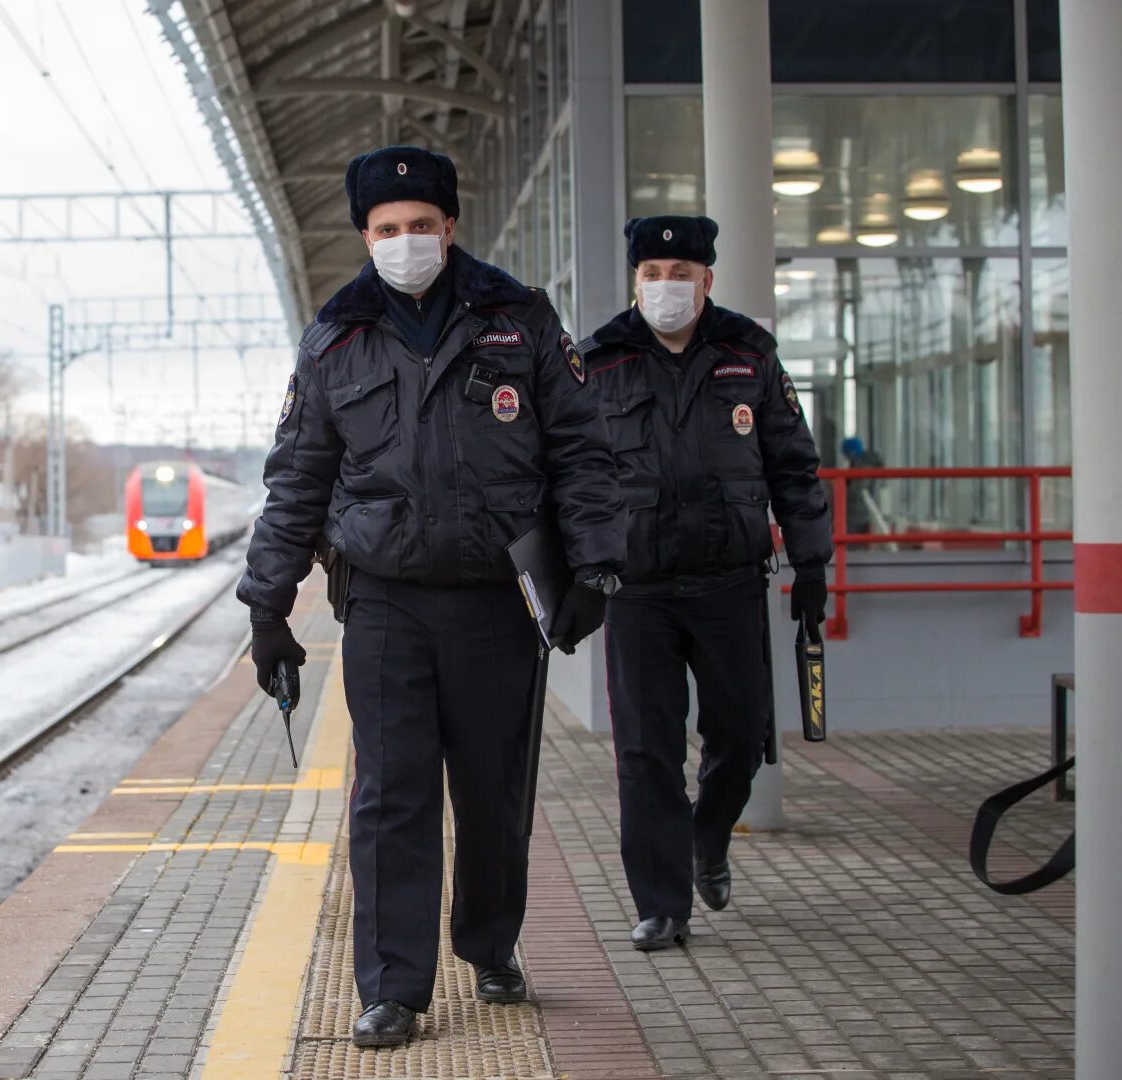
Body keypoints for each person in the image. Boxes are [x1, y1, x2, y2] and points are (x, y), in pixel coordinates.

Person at [239, 145, 627, 1047]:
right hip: (383, 603)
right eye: (386, 229)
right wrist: (268, 606)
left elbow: (581, 449)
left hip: (498, 601)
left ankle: (491, 944)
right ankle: (393, 988)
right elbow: (296, 478)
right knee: (391, 798)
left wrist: (597, 567)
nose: (405, 241)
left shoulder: (518, 319)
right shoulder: (335, 339)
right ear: (364, 236)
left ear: (450, 228)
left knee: (493, 792)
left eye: (420, 226)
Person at [577, 215, 833, 952]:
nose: (666, 286)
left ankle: (707, 837)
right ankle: (662, 904)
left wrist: (812, 564)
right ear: (635, 280)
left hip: (729, 582)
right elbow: (573, 475)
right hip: (639, 591)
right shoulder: (599, 361)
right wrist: (575, 572)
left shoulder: (747, 354)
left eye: (681, 274)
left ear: (707, 280)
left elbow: (793, 465)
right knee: (646, 753)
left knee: (742, 736)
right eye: (653, 274)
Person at [841, 435, 885, 534]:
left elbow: (857, 492)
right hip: (864, 513)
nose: (846, 459)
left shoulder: (862, 467)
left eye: (846, 455)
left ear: (851, 453)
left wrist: (839, 488)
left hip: (857, 515)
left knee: (853, 546)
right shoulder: (867, 464)